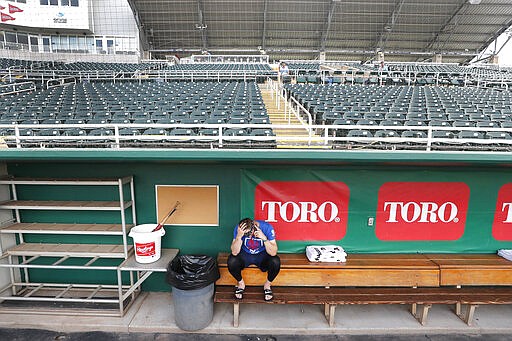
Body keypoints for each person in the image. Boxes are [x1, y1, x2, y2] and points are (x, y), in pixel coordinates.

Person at [227, 217, 280, 301]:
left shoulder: (266, 227)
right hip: (245, 254)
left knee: (275, 261)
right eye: (245, 234)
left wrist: (264, 238)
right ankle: (241, 284)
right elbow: (234, 252)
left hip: (262, 254)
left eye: (249, 233)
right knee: (232, 260)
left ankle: (267, 285)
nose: (248, 235)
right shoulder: (239, 229)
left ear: (254, 226)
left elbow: (273, 252)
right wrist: (239, 237)